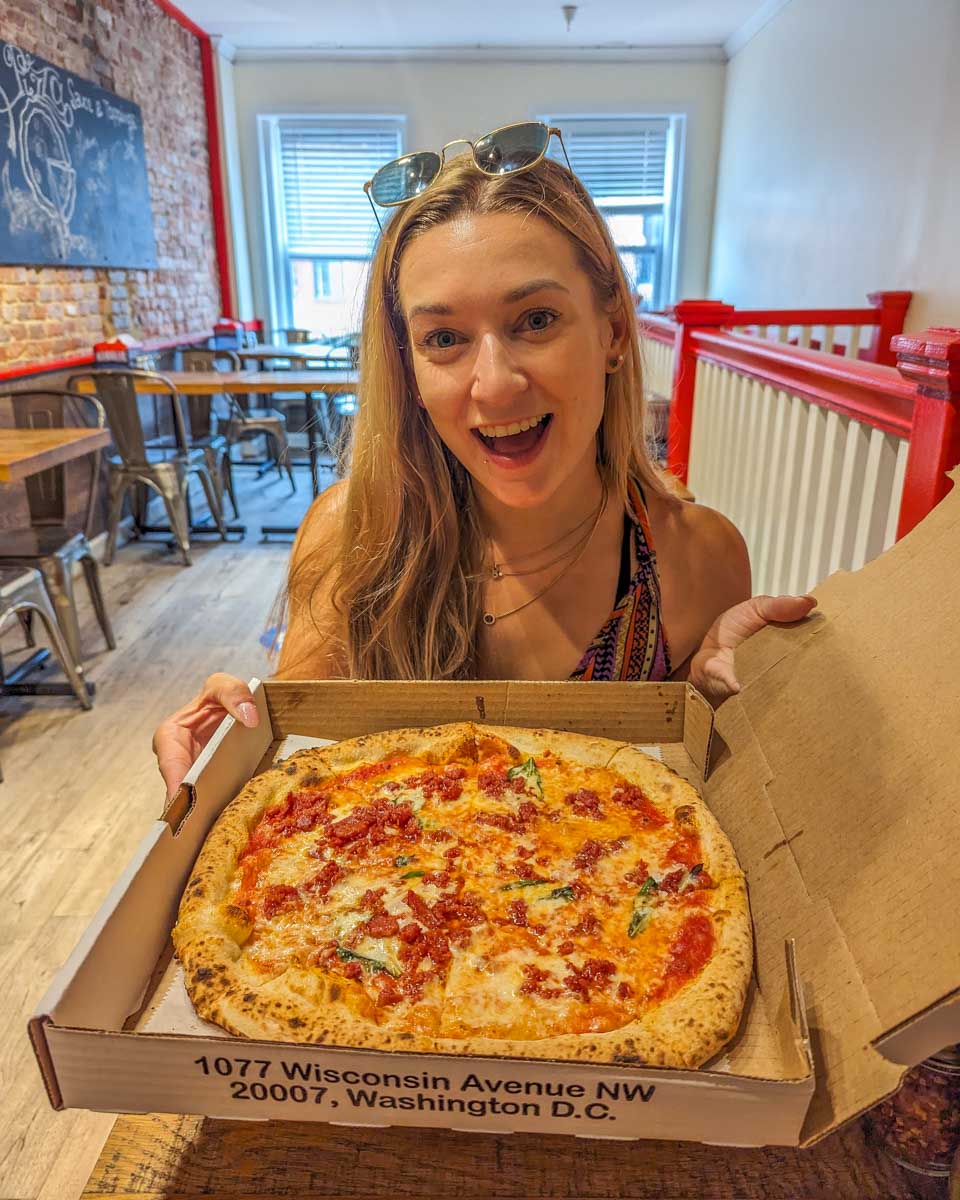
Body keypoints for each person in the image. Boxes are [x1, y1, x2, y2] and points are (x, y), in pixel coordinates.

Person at [153, 124, 815, 797]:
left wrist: (719, 694)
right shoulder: (351, 537)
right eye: (443, 338)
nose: (494, 384)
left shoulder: (698, 559)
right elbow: (295, 765)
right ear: (407, 369)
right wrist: (229, 751)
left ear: (613, 330)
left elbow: (673, 783)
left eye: (535, 320)